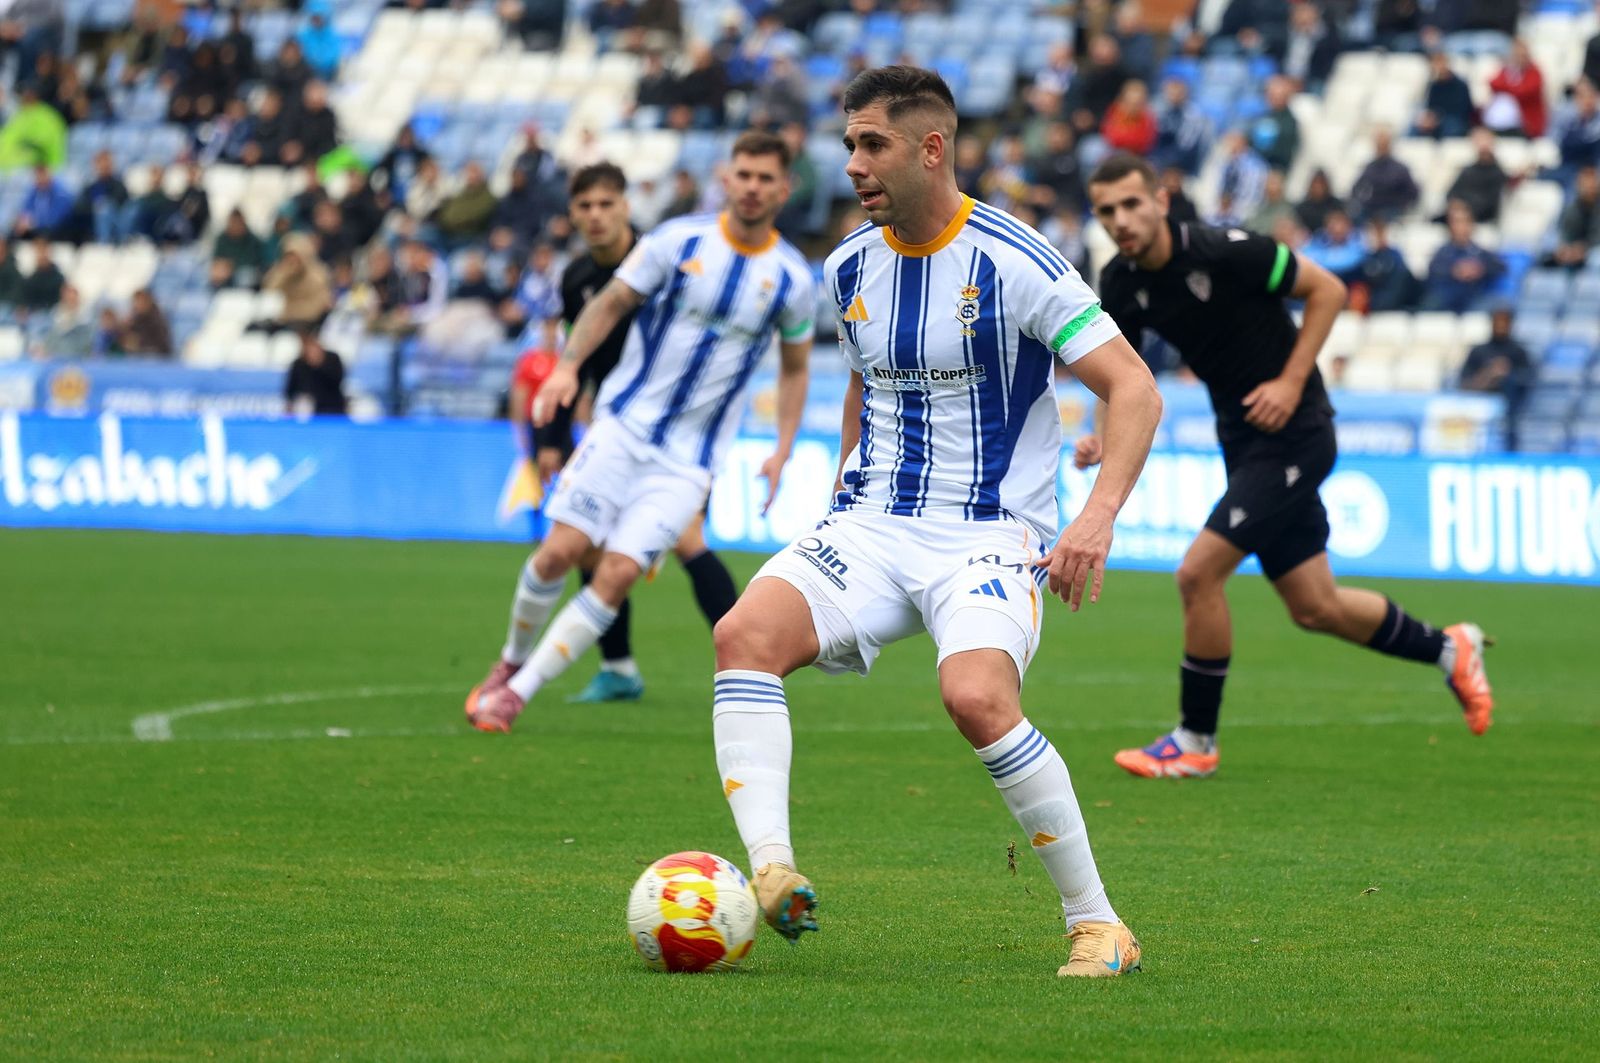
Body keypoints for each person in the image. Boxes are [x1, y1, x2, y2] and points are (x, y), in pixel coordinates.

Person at [711, 67, 1163, 976]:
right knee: (742, 635)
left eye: (872, 143)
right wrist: (841, 487)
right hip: (873, 522)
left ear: (931, 148)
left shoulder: (1016, 260)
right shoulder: (847, 263)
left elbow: (1134, 388)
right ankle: (772, 869)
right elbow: (863, 381)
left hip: (990, 532)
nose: (853, 163)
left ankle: (1099, 923)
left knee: (977, 698)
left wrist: (1097, 517)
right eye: (849, 143)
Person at [1084, 152, 1494, 781]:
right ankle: (1449, 648)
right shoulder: (1120, 281)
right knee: (1314, 605)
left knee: (1197, 574)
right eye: (1106, 210)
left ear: (1161, 201)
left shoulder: (1228, 251)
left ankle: (1195, 741)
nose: (1120, 220)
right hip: (1244, 441)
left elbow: (1328, 290)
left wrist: (1290, 381)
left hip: (1296, 434)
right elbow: (1120, 373)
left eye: (1132, 204)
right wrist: (1100, 435)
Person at [463, 131, 815, 736]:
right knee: (559, 553)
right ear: (726, 179)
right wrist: (567, 367)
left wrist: (782, 448)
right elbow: (609, 303)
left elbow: (795, 368)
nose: (753, 188)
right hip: (624, 426)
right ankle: (511, 661)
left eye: (766, 179)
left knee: (620, 572)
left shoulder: (792, 280)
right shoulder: (678, 241)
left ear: (784, 189)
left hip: (689, 461)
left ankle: (517, 695)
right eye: (744, 175)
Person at [534, 162, 749, 703]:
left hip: (681, 436)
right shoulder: (576, 278)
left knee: (689, 541)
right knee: (590, 548)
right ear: (572, 214)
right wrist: (553, 440)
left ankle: (750, 657)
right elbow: (577, 360)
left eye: (606, 204)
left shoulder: (665, 262)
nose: (596, 216)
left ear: (626, 207)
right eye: (585, 206)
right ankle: (618, 667)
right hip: (616, 427)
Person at [1422, 199, 1503, 312]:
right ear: (1450, 226)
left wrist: (1480, 268)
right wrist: (1455, 270)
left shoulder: (1480, 252)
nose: (1461, 227)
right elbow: (1433, 272)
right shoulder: (1442, 253)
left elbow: (1500, 267)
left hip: (1476, 301)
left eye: (1465, 221)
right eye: (1457, 222)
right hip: (1447, 301)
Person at [1457, 305, 1531, 427]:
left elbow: (1526, 382)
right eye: (1498, 321)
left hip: (1509, 411)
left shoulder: (1518, 352)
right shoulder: (1478, 351)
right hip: (1478, 410)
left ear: (1511, 323)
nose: (1501, 326)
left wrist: (1506, 374)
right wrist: (1489, 374)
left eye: (1505, 321)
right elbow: (1464, 384)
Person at [1541, 164, 1600, 269]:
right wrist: (1566, 249)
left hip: (1593, 251)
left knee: (1596, 258)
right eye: (1584, 183)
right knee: (1548, 254)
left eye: (1592, 183)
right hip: (1575, 251)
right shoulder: (1571, 208)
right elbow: (1565, 233)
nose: (1588, 187)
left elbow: (1597, 237)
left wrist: (1583, 249)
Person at [283, 328, 347, 416]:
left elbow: (338, 381)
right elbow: (290, 390)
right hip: (305, 408)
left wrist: (319, 364)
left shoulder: (333, 359)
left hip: (331, 406)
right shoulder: (298, 364)